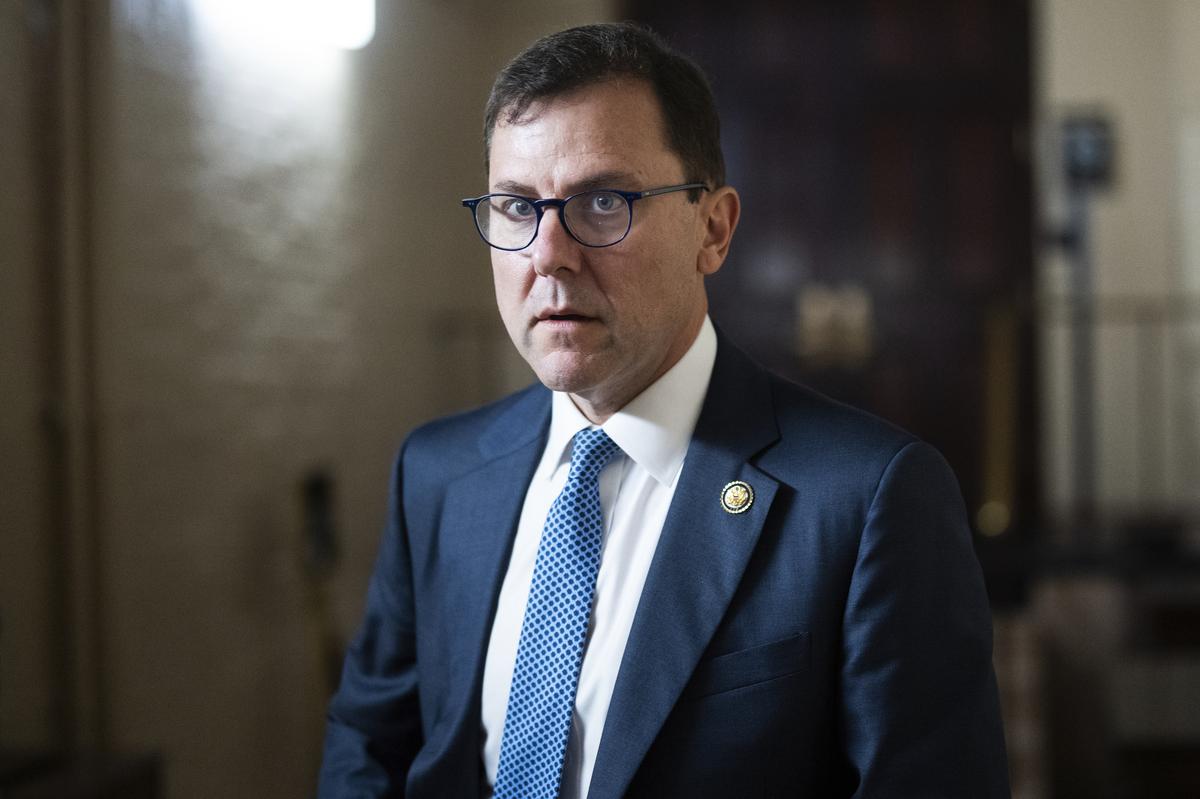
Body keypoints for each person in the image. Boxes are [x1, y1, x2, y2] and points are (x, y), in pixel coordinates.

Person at [318, 22, 1009, 799]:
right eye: (516, 207)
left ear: (712, 229)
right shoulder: (438, 472)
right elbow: (370, 748)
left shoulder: (868, 498)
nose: (548, 253)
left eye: (604, 201)